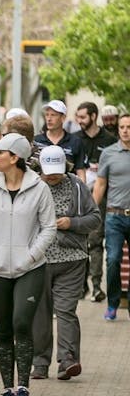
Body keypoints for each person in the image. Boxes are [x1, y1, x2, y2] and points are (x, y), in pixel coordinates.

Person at [0, 133, 56, 396]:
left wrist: (32, 254)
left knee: (22, 323)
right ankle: (7, 389)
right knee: (4, 329)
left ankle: (24, 388)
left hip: (29, 268)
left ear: (15, 157)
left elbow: (49, 227)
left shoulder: (39, 188)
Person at [31, 146, 100, 380]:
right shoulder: (32, 186)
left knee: (66, 311)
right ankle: (40, 362)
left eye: (56, 172)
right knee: (40, 314)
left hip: (72, 259)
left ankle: (68, 360)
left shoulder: (77, 186)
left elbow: (95, 218)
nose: (52, 177)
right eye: (47, 172)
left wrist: (72, 223)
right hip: (38, 260)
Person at [75, 101, 116, 302]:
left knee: (96, 241)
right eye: (77, 117)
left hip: (103, 198)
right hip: (79, 198)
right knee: (81, 242)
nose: (79, 121)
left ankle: (97, 286)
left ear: (93, 116)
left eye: (82, 117)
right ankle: (81, 286)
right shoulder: (75, 140)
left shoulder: (109, 140)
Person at [93, 113, 130, 321]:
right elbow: (100, 184)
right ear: (118, 129)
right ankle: (113, 303)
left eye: (129, 127)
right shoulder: (108, 153)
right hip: (114, 216)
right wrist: (90, 210)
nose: (125, 130)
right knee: (113, 259)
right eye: (122, 127)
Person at [33, 100, 86, 181]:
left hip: (68, 189)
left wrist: (82, 191)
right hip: (42, 188)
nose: (49, 119)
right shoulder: (36, 140)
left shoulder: (75, 141)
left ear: (63, 118)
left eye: (53, 115)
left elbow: (80, 172)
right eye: (47, 115)